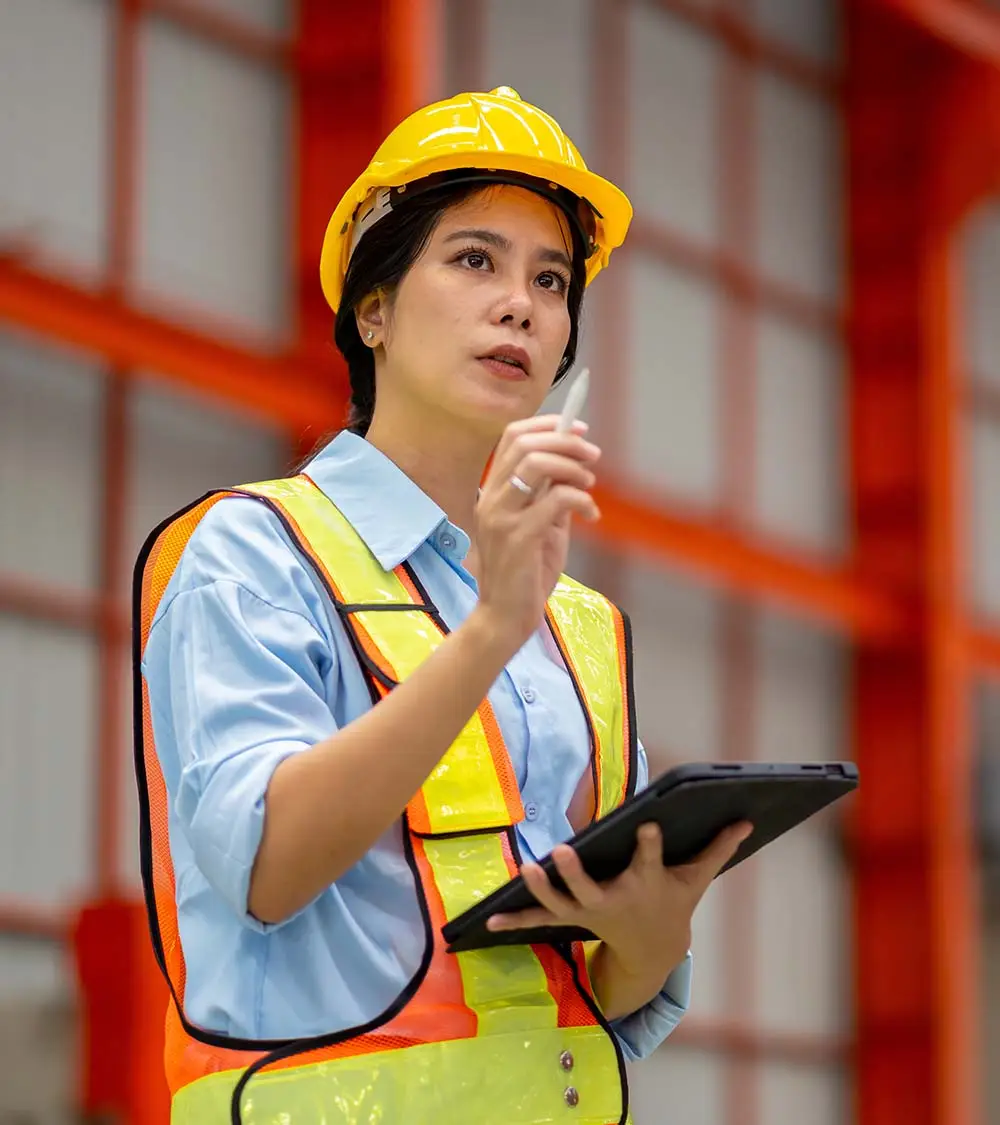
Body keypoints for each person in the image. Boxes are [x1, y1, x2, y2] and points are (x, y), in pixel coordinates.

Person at [134, 86, 749, 1125]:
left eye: (549, 281)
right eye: (474, 261)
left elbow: (597, 990)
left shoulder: (583, 629)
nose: (519, 303)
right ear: (371, 309)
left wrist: (656, 932)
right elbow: (268, 868)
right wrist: (490, 630)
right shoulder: (251, 551)